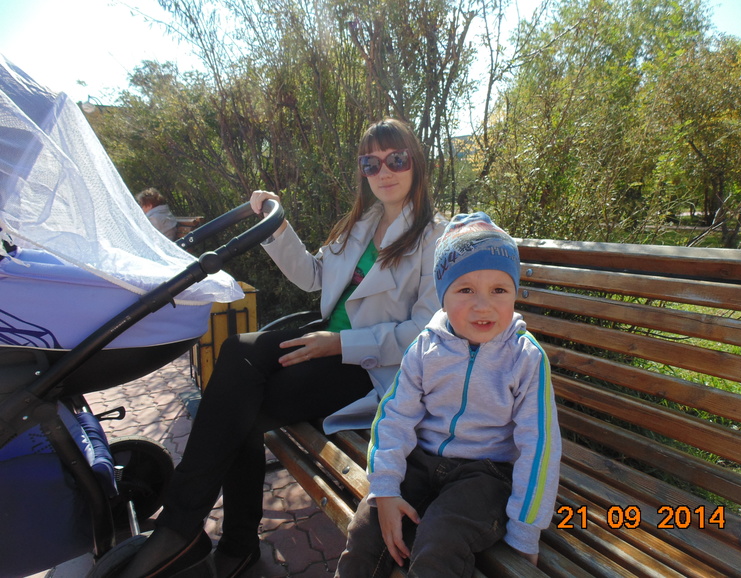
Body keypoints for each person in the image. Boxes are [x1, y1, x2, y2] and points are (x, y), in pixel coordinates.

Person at [119, 118, 446, 578]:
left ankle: (201, 536)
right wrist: (277, 228)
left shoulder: (435, 237)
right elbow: (312, 275)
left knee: (242, 410)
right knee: (237, 351)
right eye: (371, 163)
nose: (384, 171)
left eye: (396, 159)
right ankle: (192, 532)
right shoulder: (362, 223)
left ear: (416, 162)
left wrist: (338, 343)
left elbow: (422, 331)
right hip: (324, 341)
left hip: (370, 366)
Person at [335, 212, 562, 578]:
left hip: (485, 476)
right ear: (443, 297)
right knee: (366, 531)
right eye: (465, 290)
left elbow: (540, 447)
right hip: (420, 462)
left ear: (514, 294)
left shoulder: (525, 358)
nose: (483, 305)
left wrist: (525, 532)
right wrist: (386, 489)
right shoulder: (425, 348)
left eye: (499, 290)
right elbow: (395, 417)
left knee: (439, 542)